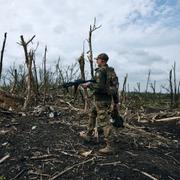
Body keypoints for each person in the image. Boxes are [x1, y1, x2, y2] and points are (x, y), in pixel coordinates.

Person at [80, 53, 119, 154]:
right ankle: (88, 134)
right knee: (92, 113)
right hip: (104, 100)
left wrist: (89, 85)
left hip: (101, 100)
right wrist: (116, 102)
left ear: (102, 60)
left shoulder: (101, 71)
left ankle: (111, 146)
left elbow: (100, 87)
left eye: (97, 59)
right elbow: (115, 87)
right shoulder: (110, 71)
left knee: (104, 121)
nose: (96, 61)